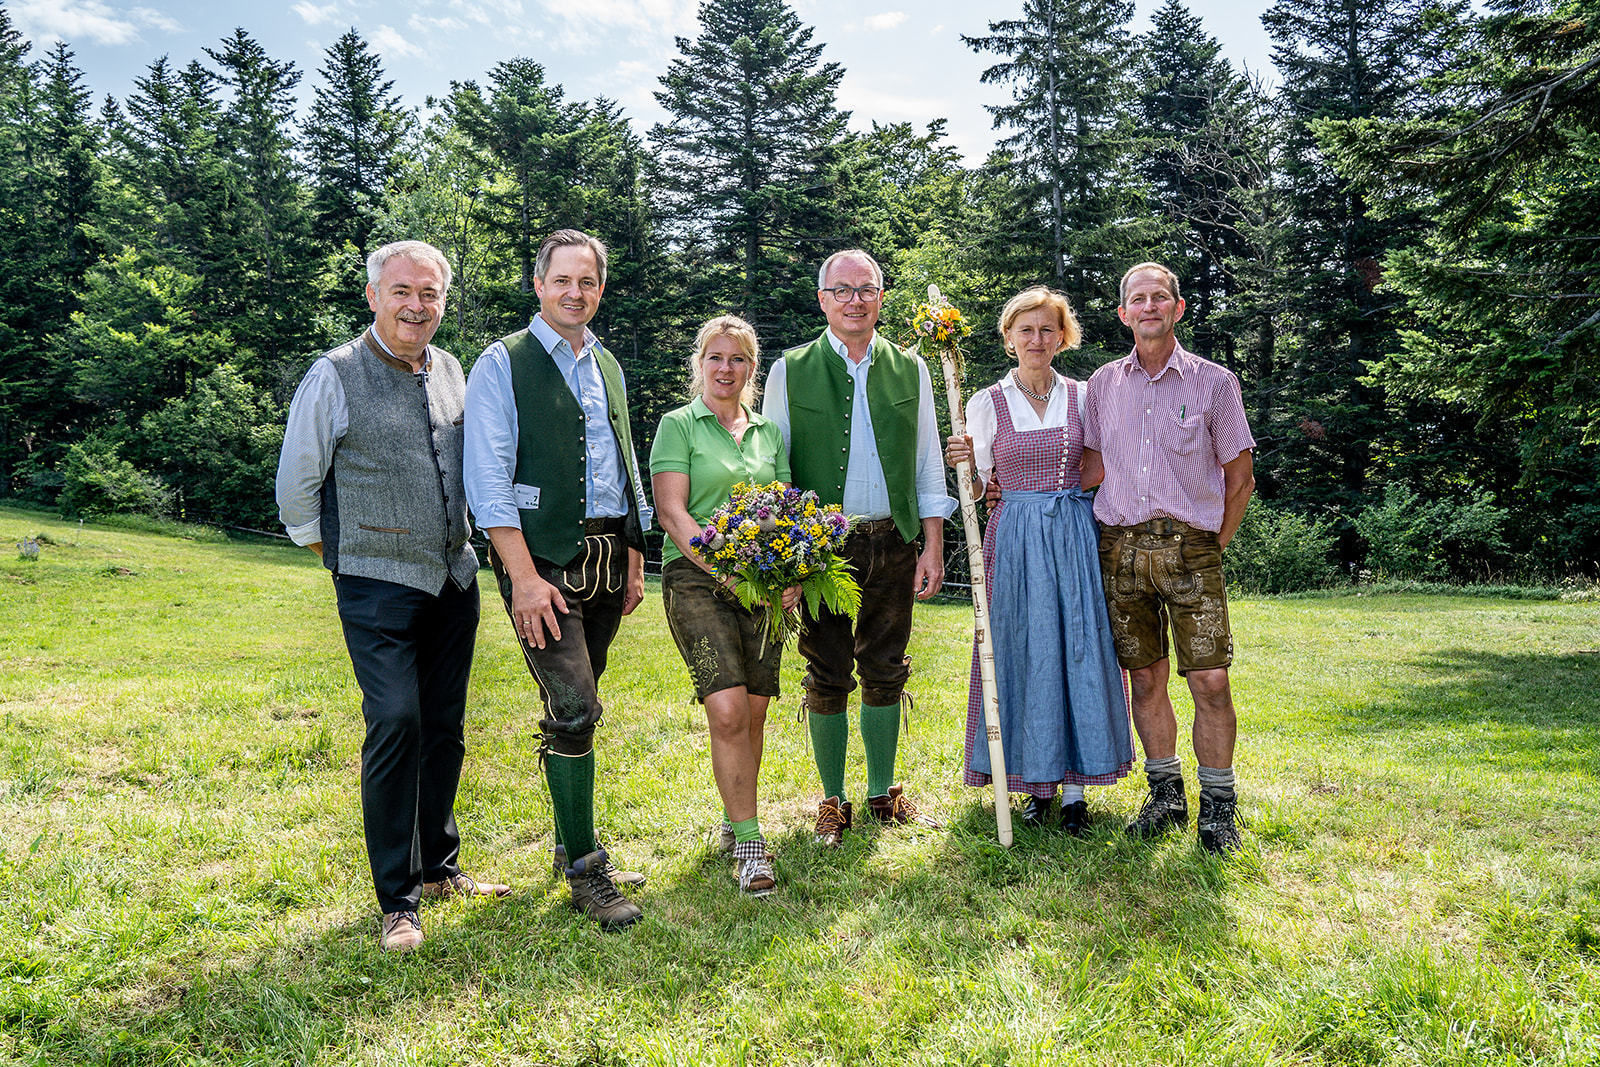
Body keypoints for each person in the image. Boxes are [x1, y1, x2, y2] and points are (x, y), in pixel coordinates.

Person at [276, 239, 508, 953]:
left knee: (444, 727)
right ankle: (397, 900)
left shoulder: (452, 370)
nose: (417, 305)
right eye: (403, 291)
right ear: (374, 295)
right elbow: (297, 488)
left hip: (453, 577)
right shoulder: (335, 373)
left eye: (430, 293)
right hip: (374, 582)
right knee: (396, 721)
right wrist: (345, 559)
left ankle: (439, 867)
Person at [463, 229, 653, 929]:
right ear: (539, 284)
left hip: (607, 555)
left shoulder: (607, 363)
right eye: (563, 280)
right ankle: (585, 870)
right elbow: (487, 477)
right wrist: (521, 577)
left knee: (577, 701)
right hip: (540, 561)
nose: (576, 292)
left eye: (588, 281)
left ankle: (569, 844)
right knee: (574, 706)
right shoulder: (502, 362)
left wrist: (634, 556)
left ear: (600, 289)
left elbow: (624, 463)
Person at [763, 249, 957, 846]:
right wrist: (786, 558)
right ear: (822, 300)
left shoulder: (911, 369)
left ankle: (881, 792)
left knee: (886, 665)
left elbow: (928, 462)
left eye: (866, 289)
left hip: (894, 539)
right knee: (826, 669)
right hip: (820, 546)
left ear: (881, 297)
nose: (855, 300)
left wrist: (931, 545)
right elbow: (774, 471)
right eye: (842, 290)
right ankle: (831, 800)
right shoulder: (789, 370)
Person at [945, 286, 1134, 835]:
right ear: (1009, 338)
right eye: (1025, 330)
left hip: (1073, 532)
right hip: (1016, 538)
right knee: (1025, 649)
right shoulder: (986, 402)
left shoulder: (1084, 395)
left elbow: (1100, 465)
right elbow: (975, 491)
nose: (1036, 339)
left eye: (1047, 329)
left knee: (1078, 647)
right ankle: (1034, 784)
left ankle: (1074, 792)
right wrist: (965, 466)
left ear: (1062, 337)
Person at [1081, 261, 1256, 854]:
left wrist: (1213, 545)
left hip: (1191, 548)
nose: (1149, 306)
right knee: (1145, 676)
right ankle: (1165, 795)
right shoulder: (1103, 385)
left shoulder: (1215, 383)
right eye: (1138, 299)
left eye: (1160, 297)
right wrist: (1004, 478)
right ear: (1123, 313)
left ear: (1178, 308)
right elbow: (1089, 468)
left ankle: (1219, 806)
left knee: (1210, 678)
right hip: (1121, 550)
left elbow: (1240, 477)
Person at [650, 315, 799, 896]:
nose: (725, 368)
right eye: (715, 357)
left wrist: (787, 575)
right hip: (695, 578)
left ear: (751, 368)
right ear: (700, 363)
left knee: (754, 712)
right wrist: (726, 571)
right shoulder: (677, 425)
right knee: (730, 711)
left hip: (761, 583)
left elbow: (783, 510)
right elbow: (673, 513)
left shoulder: (767, 432)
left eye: (737, 359)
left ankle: (736, 820)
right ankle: (752, 847)